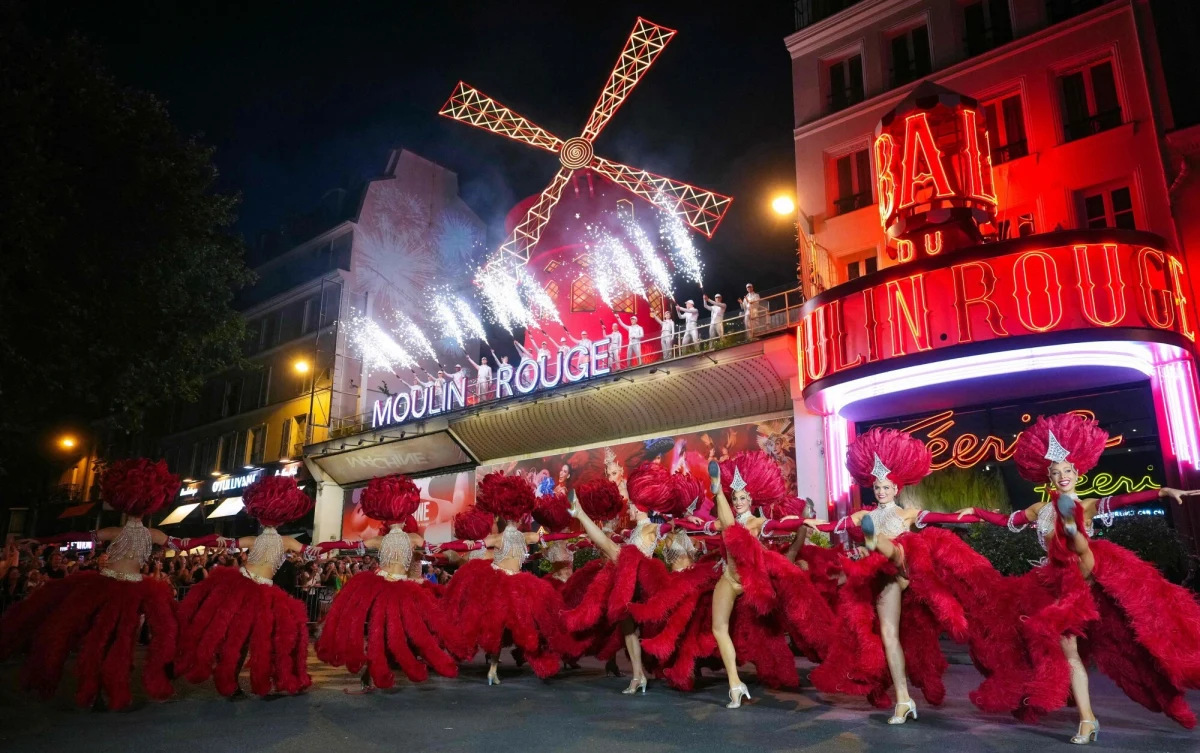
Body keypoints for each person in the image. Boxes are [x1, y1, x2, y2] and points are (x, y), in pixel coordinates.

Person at [961, 412, 1200, 743]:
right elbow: (1004, 520)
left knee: (1084, 556)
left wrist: (1163, 491)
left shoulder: (1086, 504)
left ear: (1076, 473)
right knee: (1066, 652)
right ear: (1049, 477)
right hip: (1050, 581)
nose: (1062, 476)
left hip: (1081, 575)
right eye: (1055, 472)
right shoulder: (1037, 510)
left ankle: (1072, 535)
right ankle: (1087, 720)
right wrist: (973, 512)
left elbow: (1124, 499)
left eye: (1067, 471)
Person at [0, 458, 185, 710]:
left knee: (106, 639)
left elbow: (72, 536)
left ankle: (99, 692)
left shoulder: (121, 531)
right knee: (116, 640)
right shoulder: (152, 535)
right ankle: (101, 691)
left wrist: (42, 539)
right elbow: (187, 543)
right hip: (120, 588)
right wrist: (222, 541)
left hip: (120, 587)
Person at [175, 475, 333, 698]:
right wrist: (345, 545)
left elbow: (223, 543)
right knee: (255, 640)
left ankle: (230, 681)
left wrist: (197, 542)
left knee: (237, 639)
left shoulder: (255, 539)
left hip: (246, 589)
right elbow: (314, 551)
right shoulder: (286, 542)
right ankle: (239, 681)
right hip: (253, 591)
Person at [705, 452, 833, 709]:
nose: (739, 502)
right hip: (730, 578)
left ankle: (716, 490)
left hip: (752, 579)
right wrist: (696, 523)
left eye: (742, 498)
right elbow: (705, 527)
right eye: (735, 498)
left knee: (733, 530)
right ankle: (735, 684)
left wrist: (804, 521)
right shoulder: (722, 521)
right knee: (718, 628)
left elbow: (780, 525)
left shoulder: (757, 521)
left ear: (750, 500)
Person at [316, 474, 457, 692]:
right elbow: (440, 548)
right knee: (381, 632)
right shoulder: (408, 539)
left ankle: (374, 673)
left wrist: (324, 545)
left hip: (396, 587)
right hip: (382, 586)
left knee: (385, 632)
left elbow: (346, 543)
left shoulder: (395, 539)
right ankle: (370, 674)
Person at [436, 473, 570, 685]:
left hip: (519, 583)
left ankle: (505, 665)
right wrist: (444, 546)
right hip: (498, 583)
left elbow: (551, 537)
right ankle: (493, 667)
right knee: (495, 626)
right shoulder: (505, 537)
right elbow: (469, 545)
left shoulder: (520, 536)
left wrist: (579, 537)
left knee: (525, 623)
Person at [565, 471, 683, 694]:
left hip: (641, 580)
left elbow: (665, 528)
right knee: (628, 631)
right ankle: (638, 676)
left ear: (639, 506)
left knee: (612, 549)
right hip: (626, 581)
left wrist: (676, 522)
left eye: (631, 504)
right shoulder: (635, 530)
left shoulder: (649, 527)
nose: (628, 508)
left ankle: (579, 514)